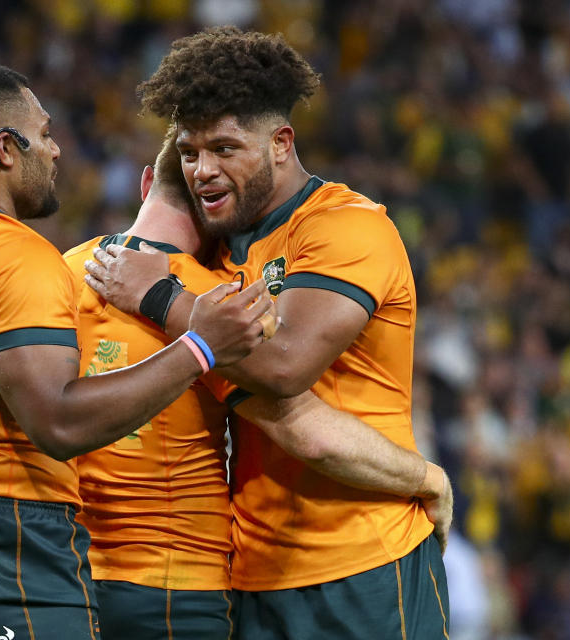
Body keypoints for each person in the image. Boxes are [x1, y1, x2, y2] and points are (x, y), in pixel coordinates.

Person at [0, 61, 273, 640]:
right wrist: (200, 346)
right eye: (43, 135)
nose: (57, 151)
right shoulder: (19, 257)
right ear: (4, 150)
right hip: (4, 550)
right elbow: (58, 423)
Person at [85, 28, 450, 639]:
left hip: (367, 564)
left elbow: (283, 369)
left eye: (226, 148)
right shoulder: (215, 256)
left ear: (281, 143)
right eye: (192, 151)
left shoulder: (345, 229)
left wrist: (156, 294)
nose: (204, 170)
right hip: (252, 578)